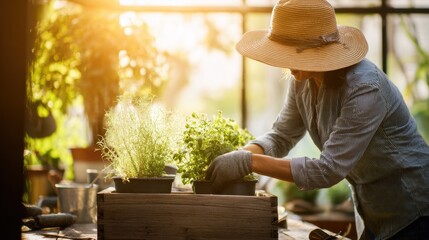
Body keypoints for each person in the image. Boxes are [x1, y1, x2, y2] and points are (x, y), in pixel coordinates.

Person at [205, 0, 429, 239]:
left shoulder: (365, 88)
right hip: (373, 213)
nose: (288, 65)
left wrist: (248, 162)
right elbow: (281, 136)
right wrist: (237, 158)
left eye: (293, 54)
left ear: (321, 52)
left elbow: (328, 170)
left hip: (415, 210)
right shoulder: (302, 81)